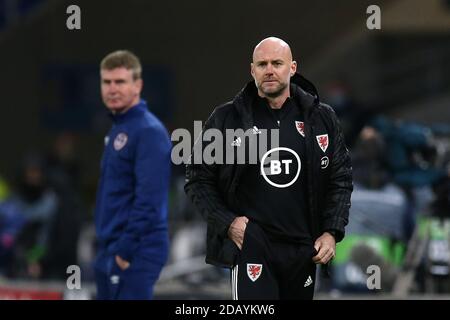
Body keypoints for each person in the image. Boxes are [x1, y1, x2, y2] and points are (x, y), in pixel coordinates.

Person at [185, 37, 353, 299]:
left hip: (303, 249)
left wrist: (331, 232)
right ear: (252, 71)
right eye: (262, 64)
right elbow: (197, 178)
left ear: (293, 68)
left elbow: (340, 179)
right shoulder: (227, 118)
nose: (269, 70)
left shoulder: (321, 118)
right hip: (253, 246)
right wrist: (228, 223)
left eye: (277, 63)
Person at [94, 50, 171, 300]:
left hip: (135, 249)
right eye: (107, 82)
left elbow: (149, 201)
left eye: (120, 82)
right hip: (111, 247)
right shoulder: (119, 129)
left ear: (137, 85)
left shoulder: (149, 132)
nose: (112, 89)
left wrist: (124, 252)